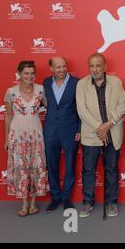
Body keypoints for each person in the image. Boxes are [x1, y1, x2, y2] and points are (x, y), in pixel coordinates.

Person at [76, 53, 125, 218]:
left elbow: (122, 105)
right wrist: (100, 128)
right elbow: (82, 110)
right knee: (88, 170)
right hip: (92, 135)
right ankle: (88, 201)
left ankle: (111, 201)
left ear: (105, 66)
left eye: (98, 65)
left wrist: (108, 125)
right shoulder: (81, 84)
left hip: (112, 132)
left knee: (112, 169)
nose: (95, 69)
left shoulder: (116, 82)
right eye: (91, 66)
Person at [4, 60, 49, 216]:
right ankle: (24, 205)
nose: (29, 76)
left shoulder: (41, 90)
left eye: (32, 73)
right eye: (26, 73)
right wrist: (6, 139)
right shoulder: (11, 92)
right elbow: (8, 117)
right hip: (17, 135)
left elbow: (50, 107)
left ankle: (33, 204)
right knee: (21, 168)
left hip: (36, 134)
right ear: (19, 74)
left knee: (36, 166)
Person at [43, 56, 80, 212]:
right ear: (51, 68)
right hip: (51, 130)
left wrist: (79, 129)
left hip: (70, 130)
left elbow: (81, 108)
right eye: (58, 67)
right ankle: (55, 197)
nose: (62, 70)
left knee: (70, 164)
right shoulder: (45, 83)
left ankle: (66, 198)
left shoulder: (76, 83)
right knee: (51, 165)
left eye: (64, 66)